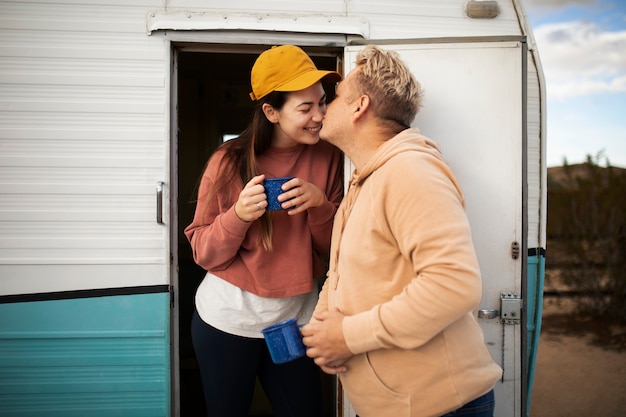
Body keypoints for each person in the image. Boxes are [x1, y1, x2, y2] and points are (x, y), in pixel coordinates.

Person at [300, 44, 502, 417]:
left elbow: (453, 285)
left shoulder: (411, 172)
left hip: (437, 406)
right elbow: (340, 271)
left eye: (338, 96)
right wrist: (323, 329)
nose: (325, 107)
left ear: (360, 106)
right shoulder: (365, 180)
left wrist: (346, 336)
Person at [184, 45, 343, 417]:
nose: (319, 116)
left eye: (322, 103)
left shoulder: (331, 156)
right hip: (227, 321)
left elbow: (333, 249)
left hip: (291, 322)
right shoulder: (229, 160)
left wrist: (320, 205)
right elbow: (204, 253)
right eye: (305, 108)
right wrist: (238, 215)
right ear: (271, 112)